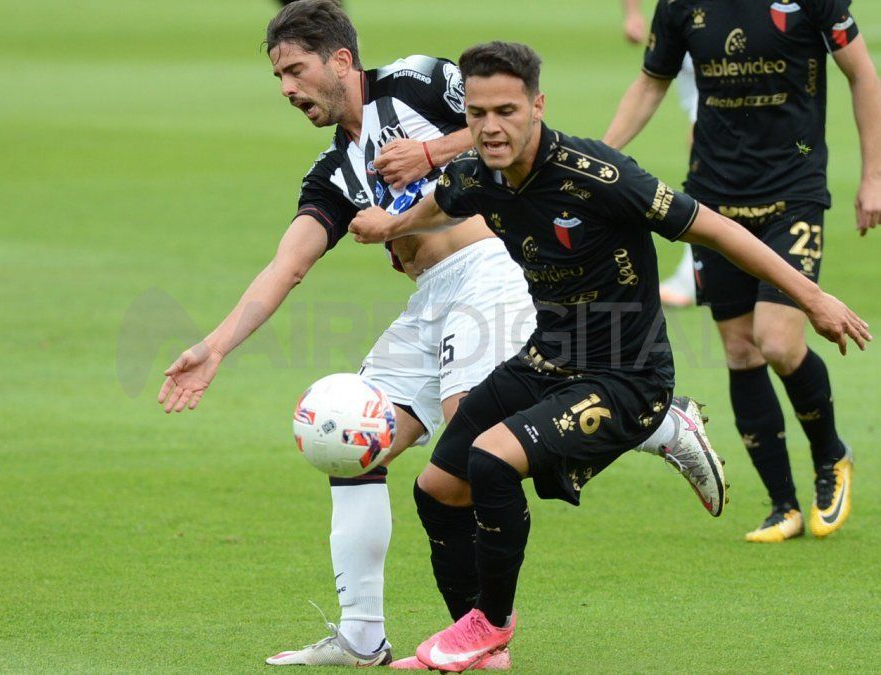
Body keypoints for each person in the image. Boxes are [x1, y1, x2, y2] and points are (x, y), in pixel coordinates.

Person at [349, 40, 870, 671]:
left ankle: (492, 623)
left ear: (537, 106)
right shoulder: (476, 173)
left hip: (628, 377)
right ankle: (478, 647)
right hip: (547, 359)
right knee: (438, 488)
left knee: (491, 461)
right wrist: (391, 227)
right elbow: (445, 200)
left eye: (507, 111)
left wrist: (812, 298)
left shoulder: (600, 176)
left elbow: (715, 228)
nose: (490, 128)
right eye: (478, 113)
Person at [159, 0, 533, 667]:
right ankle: (363, 636)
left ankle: (649, 419)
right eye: (279, 77)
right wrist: (213, 347)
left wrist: (432, 151)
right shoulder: (333, 172)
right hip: (430, 301)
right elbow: (287, 266)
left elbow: (519, 128)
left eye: (295, 71)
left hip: (490, 273)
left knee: (471, 445)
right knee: (352, 440)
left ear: (339, 60)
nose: (287, 89)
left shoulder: (417, 81)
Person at [603, 0, 880, 541]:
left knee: (777, 341)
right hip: (713, 198)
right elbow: (651, 82)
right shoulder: (680, 6)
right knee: (740, 350)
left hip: (792, 193)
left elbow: (862, 73)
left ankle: (831, 456)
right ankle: (783, 506)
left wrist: (873, 176)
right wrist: (603, 158)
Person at [621, 0, 697, 307]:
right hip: (689, 27)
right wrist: (632, 13)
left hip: (726, 29)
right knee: (706, 145)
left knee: (706, 142)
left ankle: (694, 273)